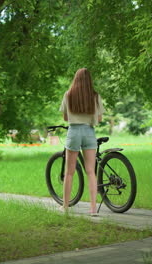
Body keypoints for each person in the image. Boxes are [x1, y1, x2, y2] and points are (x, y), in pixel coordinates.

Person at [59, 68, 105, 216]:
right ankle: (93, 209)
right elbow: (99, 119)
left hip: (73, 132)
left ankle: (65, 206)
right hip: (89, 132)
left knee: (69, 172)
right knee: (91, 171)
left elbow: (65, 118)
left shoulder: (68, 95)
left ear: (76, 79)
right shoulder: (95, 96)